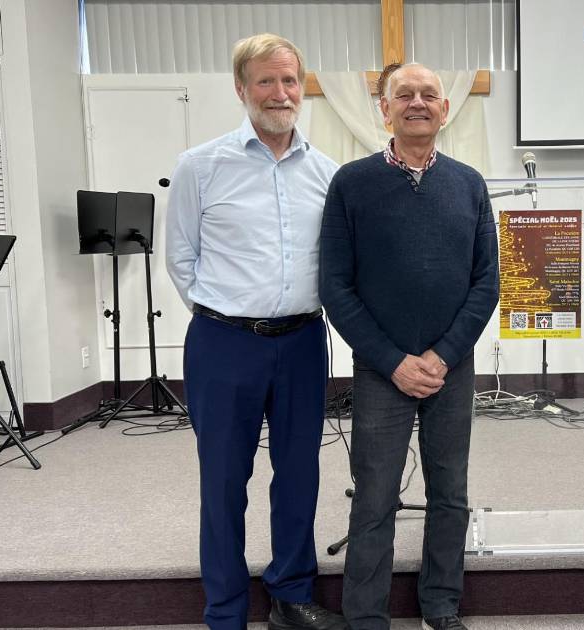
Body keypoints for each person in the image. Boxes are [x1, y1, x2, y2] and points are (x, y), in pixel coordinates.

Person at [165, 33, 345, 630]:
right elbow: (181, 258)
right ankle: (225, 610)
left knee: (299, 473)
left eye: (290, 80)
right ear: (241, 89)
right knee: (223, 478)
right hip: (224, 343)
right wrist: (224, 315)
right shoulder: (200, 166)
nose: (280, 92)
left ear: (302, 87)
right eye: (265, 81)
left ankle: (291, 595)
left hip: (301, 342)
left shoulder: (327, 173)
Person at [319, 63, 499, 630]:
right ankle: (365, 616)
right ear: (385, 108)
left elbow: (486, 281)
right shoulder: (352, 182)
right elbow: (335, 286)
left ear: (446, 110)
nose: (417, 102)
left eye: (429, 95)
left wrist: (443, 354)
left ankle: (441, 604)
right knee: (374, 496)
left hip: (451, 365)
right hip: (381, 369)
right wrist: (392, 361)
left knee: (451, 490)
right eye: (405, 95)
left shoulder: (469, 183)